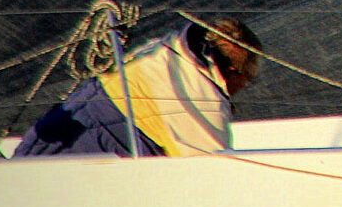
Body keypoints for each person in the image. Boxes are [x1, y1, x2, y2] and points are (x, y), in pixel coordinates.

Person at [16, 15, 261, 157]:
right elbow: (212, 172)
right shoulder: (204, 101)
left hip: (71, 114)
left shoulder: (167, 47)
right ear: (232, 71)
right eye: (247, 80)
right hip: (108, 146)